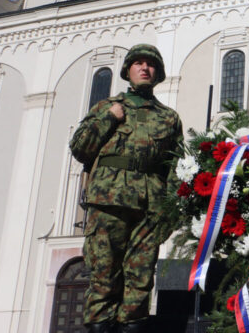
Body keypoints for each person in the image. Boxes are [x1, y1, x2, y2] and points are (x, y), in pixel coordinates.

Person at [70, 44, 183, 333]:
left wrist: (170, 212)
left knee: (140, 281)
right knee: (103, 276)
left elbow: (176, 167)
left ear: (158, 73)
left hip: (149, 208)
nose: (145, 68)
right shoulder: (105, 107)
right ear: (128, 70)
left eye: (151, 64)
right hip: (108, 202)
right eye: (138, 63)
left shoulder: (169, 118)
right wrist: (110, 118)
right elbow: (80, 148)